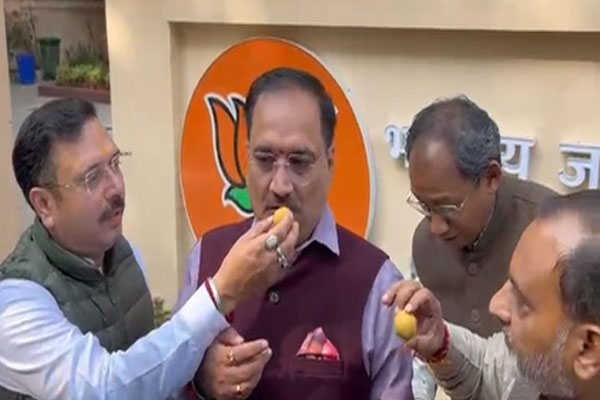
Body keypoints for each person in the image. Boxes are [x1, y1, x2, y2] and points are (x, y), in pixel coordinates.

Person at [0, 98, 298, 400]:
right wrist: (221, 293)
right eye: (92, 177)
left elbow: (149, 373)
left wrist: (203, 373)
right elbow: (104, 390)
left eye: (115, 164)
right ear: (44, 204)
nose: (115, 187)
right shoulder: (16, 305)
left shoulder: (124, 255)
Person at [175, 68, 413, 400]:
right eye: (264, 159)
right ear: (246, 156)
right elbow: (166, 384)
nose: (280, 185)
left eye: (299, 162)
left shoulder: (377, 283)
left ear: (330, 163)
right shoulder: (206, 258)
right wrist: (200, 381)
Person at [404, 96, 556, 398]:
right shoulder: (424, 245)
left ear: (491, 177)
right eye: (424, 206)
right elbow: (476, 371)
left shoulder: (551, 232)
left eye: (447, 206)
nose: (435, 227)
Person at [384, 190, 600, 400]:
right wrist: (441, 342)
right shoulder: (536, 371)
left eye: (523, 303)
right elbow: (489, 375)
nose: (495, 305)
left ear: (588, 348)